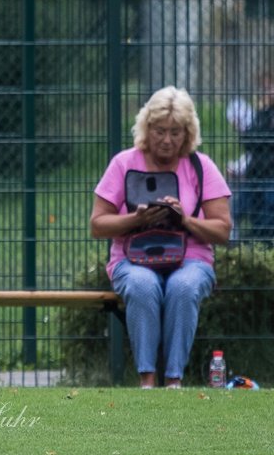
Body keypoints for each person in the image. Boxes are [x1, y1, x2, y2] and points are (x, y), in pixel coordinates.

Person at [89, 86, 231, 389]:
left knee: (183, 286)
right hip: (133, 258)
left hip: (191, 258)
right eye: (159, 131)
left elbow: (222, 230)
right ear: (146, 128)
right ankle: (147, 381)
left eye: (176, 132)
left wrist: (185, 220)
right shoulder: (124, 164)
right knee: (142, 284)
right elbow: (97, 225)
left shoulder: (200, 167)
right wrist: (136, 219)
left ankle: (174, 381)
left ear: (188, 133)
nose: (167, 140)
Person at [234, 72, 274, 242]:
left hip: (270, 173)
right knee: (244, 206)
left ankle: (264, 245)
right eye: (264, 88)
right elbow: (250, 141)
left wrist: (258, 138)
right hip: (255, 171)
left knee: (267, 212)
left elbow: (260, 140)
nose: (266, 92)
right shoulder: (262, 113)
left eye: (270, 88)